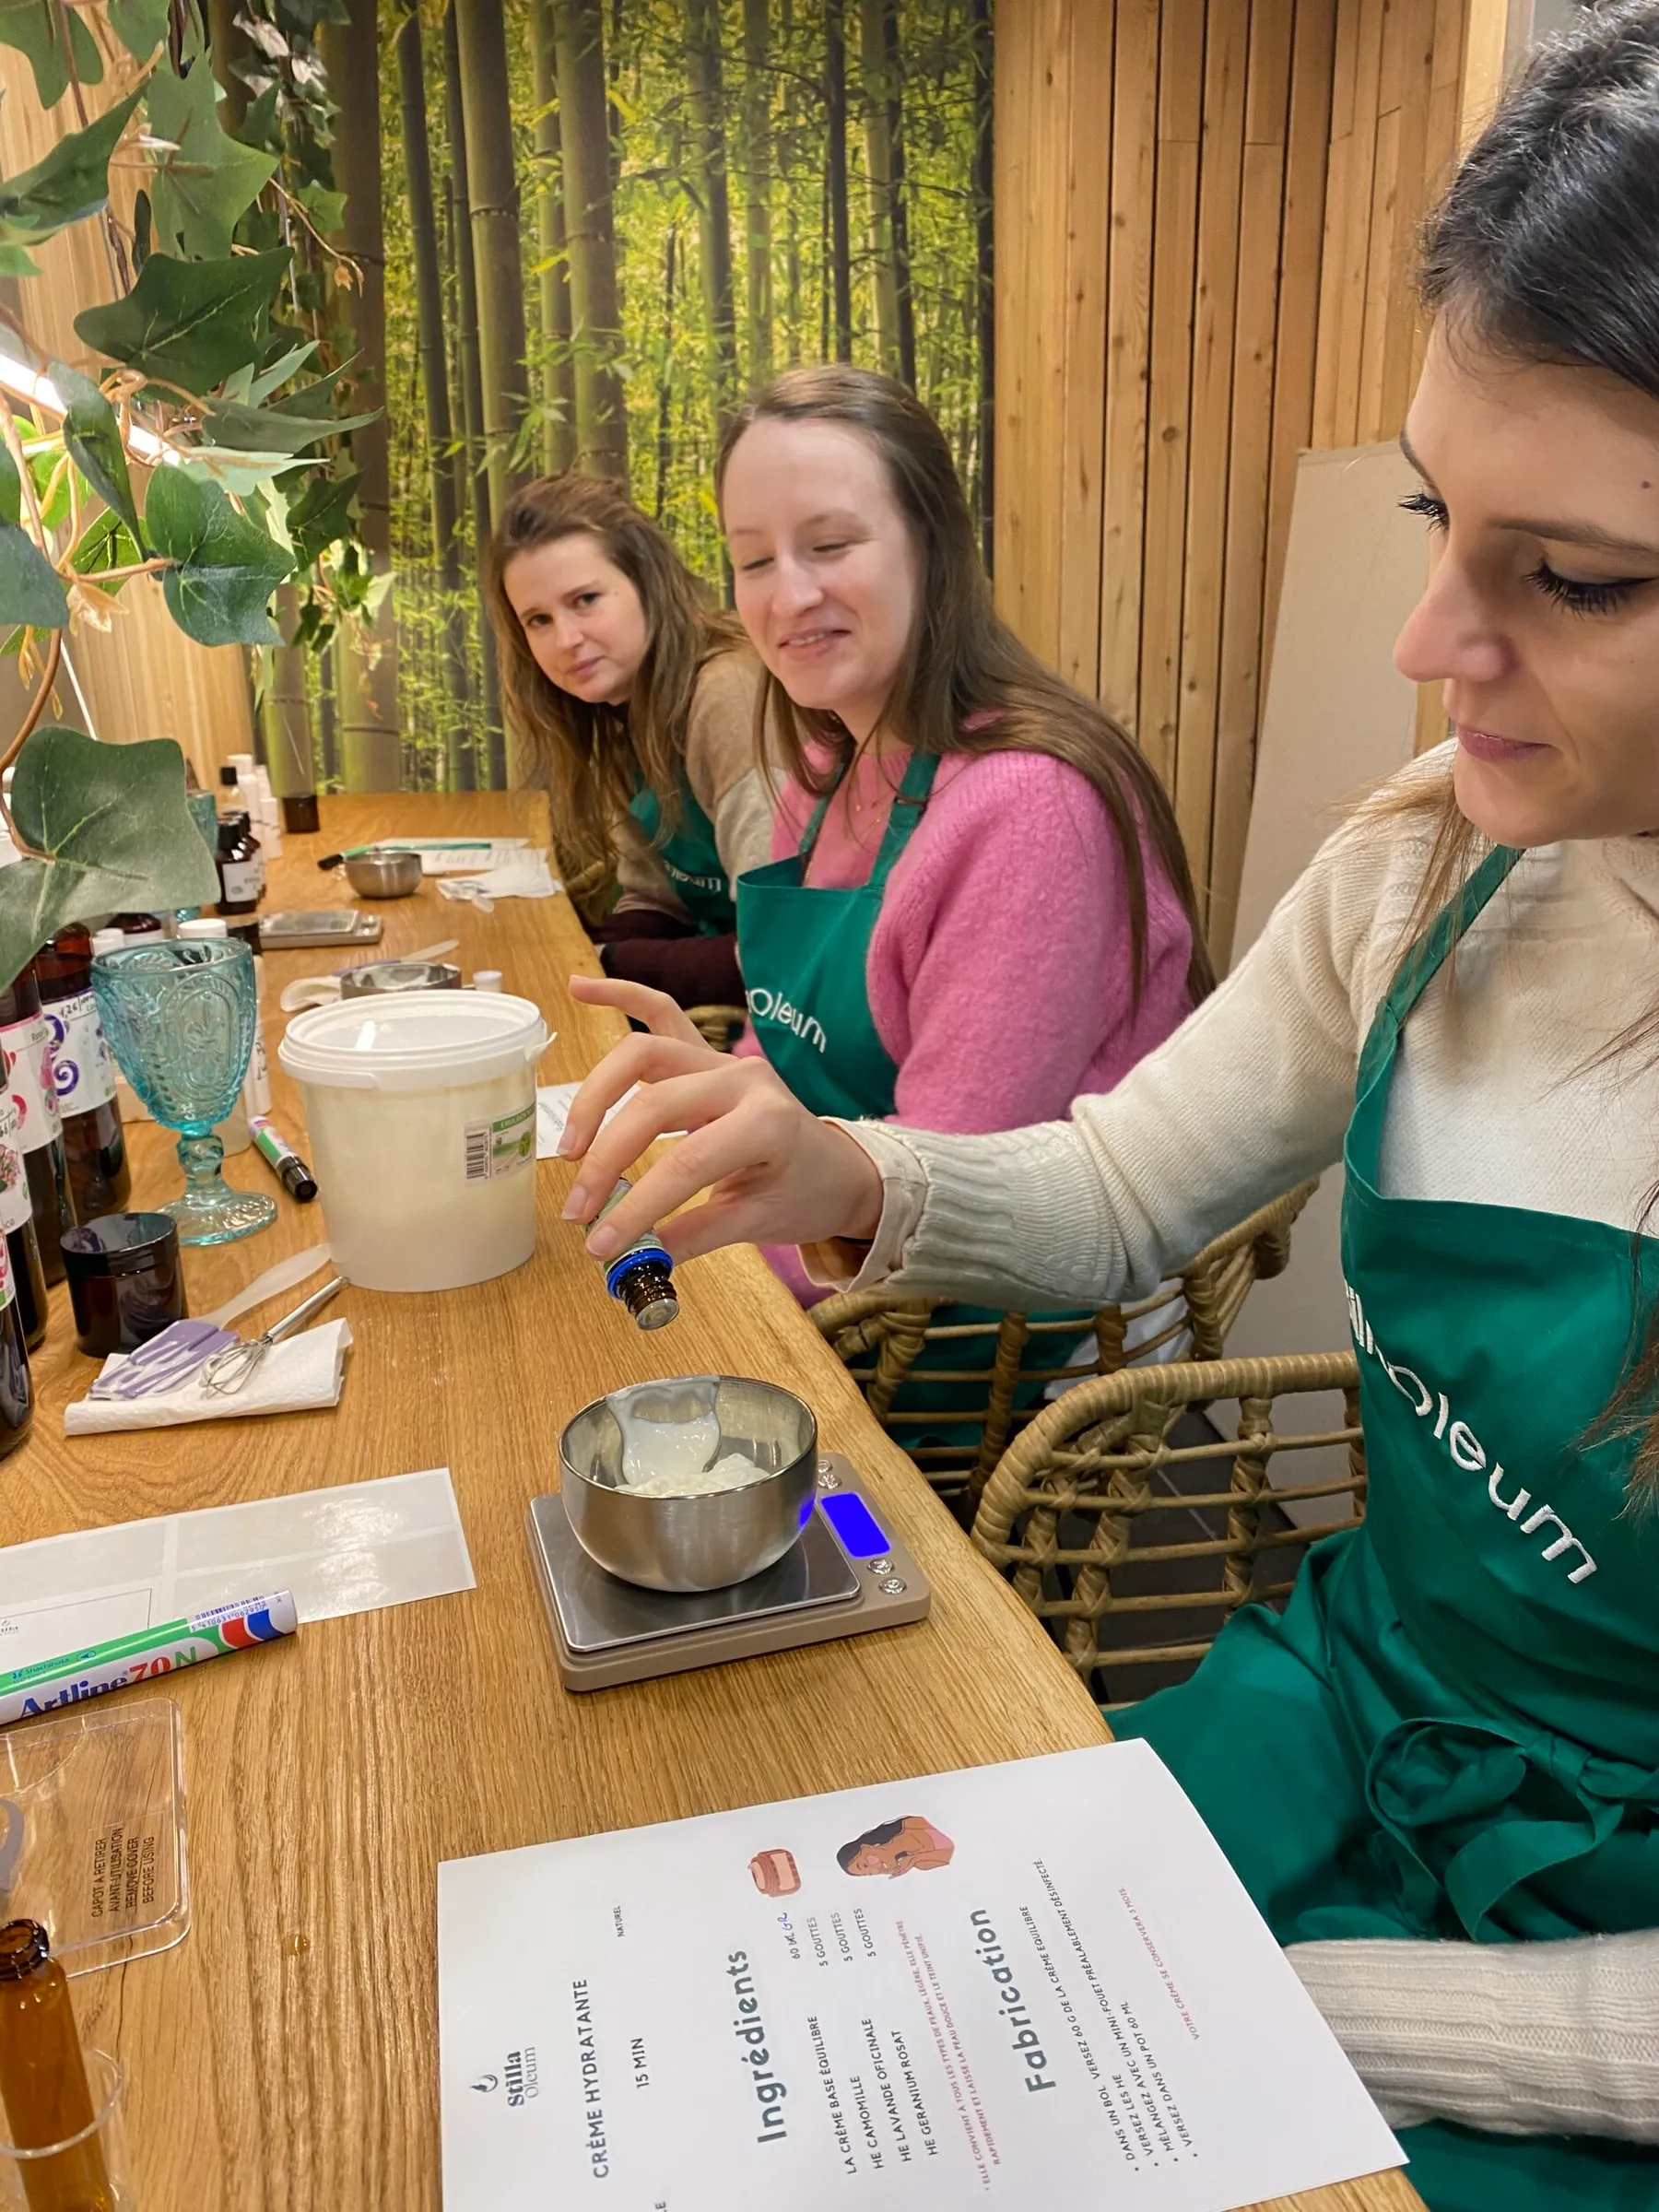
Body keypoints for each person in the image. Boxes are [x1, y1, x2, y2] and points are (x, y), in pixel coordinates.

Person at [557, 10, 1659, 2206]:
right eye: (1442, 516)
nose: (1431, 638)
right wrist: (845, 1163)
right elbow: (1131, 1174)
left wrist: (1266, 2012)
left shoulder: (1021, 798)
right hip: (1358, 1689)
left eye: (1583, 577)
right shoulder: (1433, 860)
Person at [571, 366, 1209, 1432]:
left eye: (830, 544)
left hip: (1005, 1339)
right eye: (753, 561)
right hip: (849, 1269)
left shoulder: (1026, 808)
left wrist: (699, 1244)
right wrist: (703, 1124)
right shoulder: (825, 772)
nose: (788, 595)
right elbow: (783, 1051)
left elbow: (950, 1191)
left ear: (933, 542)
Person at [489, 474, 777, 1009]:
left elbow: (778, 955)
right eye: (539, 620)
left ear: (648, 582)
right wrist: (578, 959)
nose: (566, 640)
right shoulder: (622, 708)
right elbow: (656, 898)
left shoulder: (726, 694)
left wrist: (608, 964)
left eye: (587, 600)